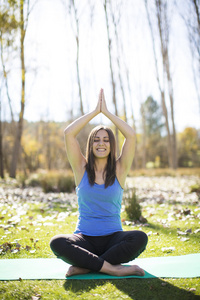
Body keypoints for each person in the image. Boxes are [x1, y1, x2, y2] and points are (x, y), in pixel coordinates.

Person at [50, 89, 148, 277]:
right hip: (84, 238)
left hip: (113, 238)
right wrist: (96, 111)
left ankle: (87, 265)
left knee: (140, 238)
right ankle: (112, 269)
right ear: (91, 144)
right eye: (96, 139)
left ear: (111, 145)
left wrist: (108, 113)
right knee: (57, 242)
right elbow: (69, 133)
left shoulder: (120, 169)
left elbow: (132, 136)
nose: (101, 143)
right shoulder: (81, 168)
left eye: (105, 140)